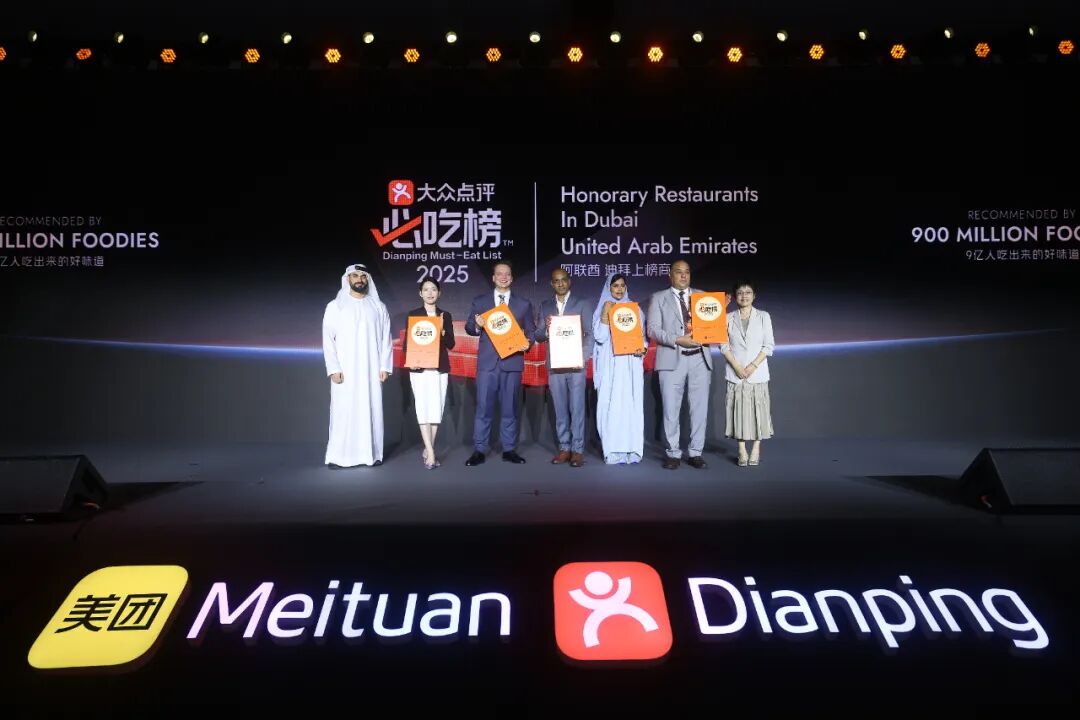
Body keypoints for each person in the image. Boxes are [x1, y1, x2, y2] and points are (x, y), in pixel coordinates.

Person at [464, 261, 535, 466]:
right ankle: (479, 450)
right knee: (483, 408)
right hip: (488, 364)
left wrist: (527, 343)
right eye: (499, 274)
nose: (503, 277)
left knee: (510, 408)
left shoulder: (523, 304)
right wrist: (477, 326)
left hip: (512, 363)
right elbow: (469, 328)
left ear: (511, 278)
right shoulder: (480, 302)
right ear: (493, 278)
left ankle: (509, 449)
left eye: (507, 274)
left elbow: (531, 332)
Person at [322, 263, 393, 468]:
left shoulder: (378, 307)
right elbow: (328, 339)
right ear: (348, 279)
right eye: (355, 276)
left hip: (372, 370)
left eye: (363, 276)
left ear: (367, 279)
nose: (359, 279)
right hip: (345, 371)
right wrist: (334, 368)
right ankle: (338, 457)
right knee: (343, 411)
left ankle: (371, 455)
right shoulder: (335, 306)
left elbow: (386, 339)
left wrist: (384, 366)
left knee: (371, 409)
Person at [646, 260, 714, 470]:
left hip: (700, 358)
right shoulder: (658, 298)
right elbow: (652, 330)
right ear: (670, 275)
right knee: (670, 409)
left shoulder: (703, 297)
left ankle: (696, 453)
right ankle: (673, 453)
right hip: (671, 358)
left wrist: (717, 319)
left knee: (699, 408)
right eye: (679, 272)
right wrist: (677, 339)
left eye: (687, 272)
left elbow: (713, 326)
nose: (684, 276)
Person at [533, 268, 592, 468]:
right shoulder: (545, 306)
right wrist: (546, 329)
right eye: (556, 281)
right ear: (552, 284)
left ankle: (577, 450)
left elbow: (590, 333)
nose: (560, 284)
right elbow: (538, 335)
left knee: (577, 408)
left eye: (564, 280)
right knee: (560, 409)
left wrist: (582, 357)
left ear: (569, 281)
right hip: (555, 365)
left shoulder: (582, 303)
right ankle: (564, 448)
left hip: (576, 365)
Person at [592, 273, 646, 464]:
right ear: (609, 288)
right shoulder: (602, 308)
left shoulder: (635, 309)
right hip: (610, 364)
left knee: (631, 406)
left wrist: (642, 348)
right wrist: (606, 313)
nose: (619, 289)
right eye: (615, 286)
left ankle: (633, 449)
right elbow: (600, 337)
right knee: (611, 406)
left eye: (622, 285)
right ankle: (612, 450)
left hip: (630, 364)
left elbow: (642, 338)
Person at [720, 282, 775, 466]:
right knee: (738, 412)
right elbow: (723, 345)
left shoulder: (763, 316)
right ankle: (742, 449)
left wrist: (752, 366)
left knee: (759, 411)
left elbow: (768, 345)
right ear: (735, 296)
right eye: (740, 293)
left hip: (757, 372)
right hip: (735, 372)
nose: (744, 296)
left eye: (748, 292)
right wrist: (737, 366)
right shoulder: (727, 318)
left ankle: (756, 448)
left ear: (754, 295)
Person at [405, 278, 456, 470]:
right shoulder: (414, 314)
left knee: (436, 408)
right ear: (420, 293)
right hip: (419, 369)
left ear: (439, 293)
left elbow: (451, 344)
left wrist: (441, 330)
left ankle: (429, 448)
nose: (430, 293)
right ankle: (431, 453)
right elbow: (407, 344)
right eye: (426, 289)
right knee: (422, 408)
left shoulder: (445, 315)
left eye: (433, 289)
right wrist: (411, 360)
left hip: (439, 369)